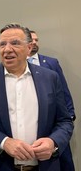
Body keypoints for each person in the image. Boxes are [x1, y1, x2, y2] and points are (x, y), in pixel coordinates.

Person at [0, 23, 73, 171]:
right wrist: (4, 142)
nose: (7, 49)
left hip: (43, 166)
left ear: (29, 48)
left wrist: (53, 142)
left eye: (15, 43)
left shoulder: (50, 78)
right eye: (2, 44)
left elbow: (65, 121)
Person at [28, 29, 75, 171]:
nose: (35, 42)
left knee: (61, 160)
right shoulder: (15, 66)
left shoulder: (51, 63)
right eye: (32, 39)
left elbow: (64, 91)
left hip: (54, 122)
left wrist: (70, 114)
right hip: (32, 122)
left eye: (37, 40)